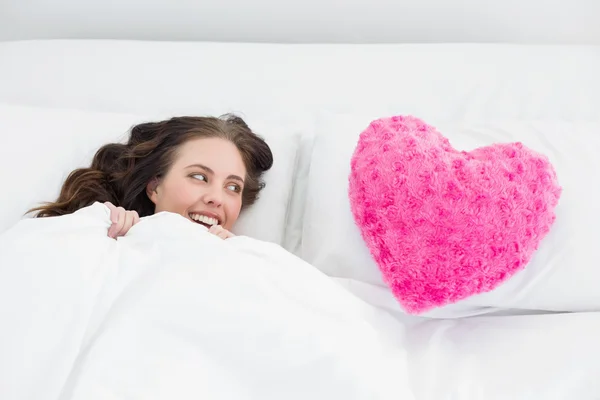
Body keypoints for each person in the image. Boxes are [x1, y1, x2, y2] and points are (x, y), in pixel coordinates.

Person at [29, 114, 274, 240]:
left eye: (233, 187)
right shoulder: (101, 236)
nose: (216, 198)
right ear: (154, 187)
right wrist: (95, 228)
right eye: (199, 177)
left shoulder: (248, 263)